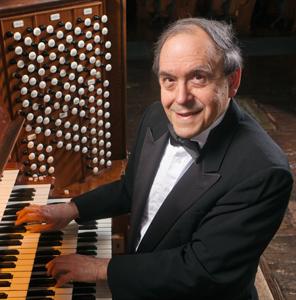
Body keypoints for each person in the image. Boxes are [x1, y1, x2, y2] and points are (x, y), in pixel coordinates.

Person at [16, 18, 293, 300]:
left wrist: (102, 269)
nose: (181, 98)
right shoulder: (156, 117)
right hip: (144, 272)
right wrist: (71, 210)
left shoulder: (264, 171)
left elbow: (201, 271)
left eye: (198, 77)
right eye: (169, 80)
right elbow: (132, 188)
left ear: (232, 81)